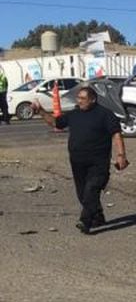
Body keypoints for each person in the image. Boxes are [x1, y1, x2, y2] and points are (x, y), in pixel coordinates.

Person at [31, 86, 128, 234]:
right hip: (77, 161)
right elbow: (56, 123)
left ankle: (85, 221)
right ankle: (97, 216)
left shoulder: (105, 115)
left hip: (98, 162)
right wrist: (41, 111)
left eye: (83, 98)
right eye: (78, 98)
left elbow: (116, 134)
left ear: (93, 99)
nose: (79, 101)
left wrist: (121, 156)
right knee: (82, 193)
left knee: (92, 189)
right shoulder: (74, 114)